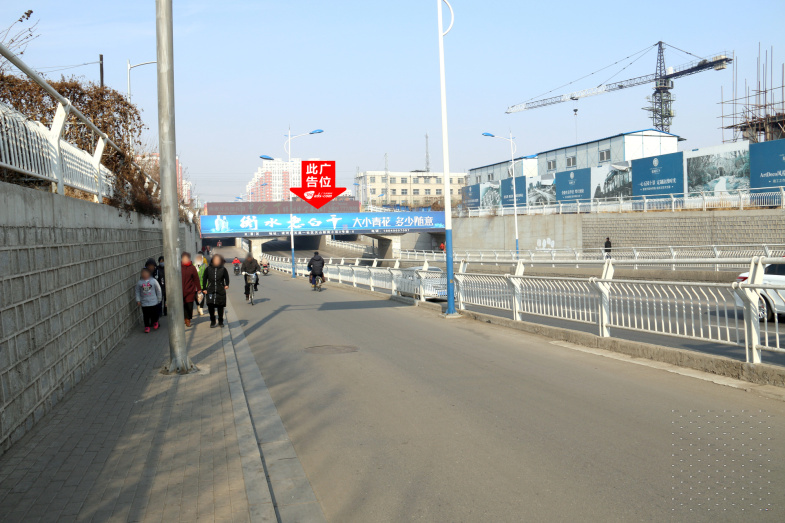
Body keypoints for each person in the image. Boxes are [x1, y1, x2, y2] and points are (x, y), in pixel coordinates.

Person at [202, 254, 230, 328]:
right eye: (215, 260)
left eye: (218, 260)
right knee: (210, 305)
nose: (217, 261)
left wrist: (227, 284)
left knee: (220, 306)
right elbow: (204, 279)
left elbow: (227, 277)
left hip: (220, 290)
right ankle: (213, 320)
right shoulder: (208, 269)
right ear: (212, 261)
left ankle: (220, 321)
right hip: (210, 290)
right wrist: (204, 288)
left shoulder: (223, 269)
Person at [135, 267, 162, 333]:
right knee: (146, 315)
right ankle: (146, 326)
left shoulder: (153, 281)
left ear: (149, 274)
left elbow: (158, 290)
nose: (144, 275)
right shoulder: (139, 283)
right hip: (144, 302)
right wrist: (138, 300)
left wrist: (159, 298)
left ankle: (155, 322)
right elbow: (137, 291)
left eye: (146, 273)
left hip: (153, 301)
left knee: (154, 313)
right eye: (143, 273)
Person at [181, 252, 202, 327]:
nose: (185, 260)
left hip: (190, 290)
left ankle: (188, 319)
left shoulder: (192, 268)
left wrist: (199, 288)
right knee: (183, 305)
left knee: (189, 305)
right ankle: (185, 318)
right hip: (181, 291)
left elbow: (196, 279)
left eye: (186, 258)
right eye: (184, 258)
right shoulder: (179, 267)